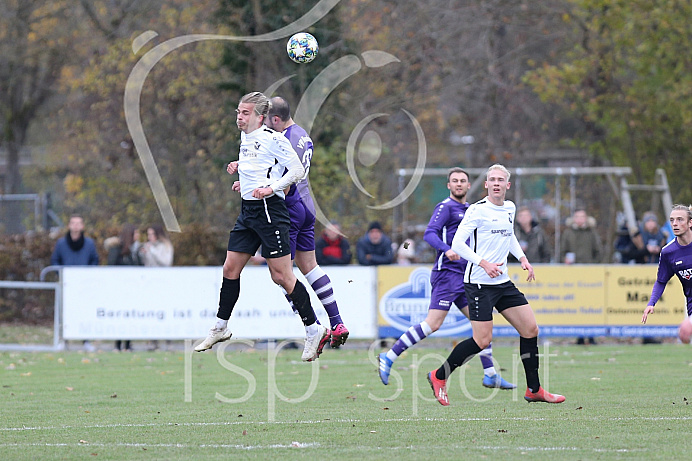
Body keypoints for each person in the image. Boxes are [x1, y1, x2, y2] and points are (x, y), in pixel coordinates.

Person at [194, 92, 328, 361]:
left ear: (259, 117)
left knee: (281, 276)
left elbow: (296, 171)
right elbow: (261, 164)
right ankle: (220, 327)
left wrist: (271, 188)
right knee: (230, 268)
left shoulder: (274, 139)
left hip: (270, 212)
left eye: (245, 113)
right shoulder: (247, 137)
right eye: (238, 112)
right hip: (248, 211)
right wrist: (241, 170)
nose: (239, 117)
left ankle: (314, 329)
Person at [427, 164, 565, 406]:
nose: (497, 183)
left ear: (507, 185)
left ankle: (534, 389)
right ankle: (439, 376)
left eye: (501, 179)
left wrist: (522, 257)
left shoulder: (510, 208)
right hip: (479, 283)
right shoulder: (477, 210)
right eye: (492, 179)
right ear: (487, 185)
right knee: (482, 340)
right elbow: (458, 244)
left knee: (530, 329)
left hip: (502, 282)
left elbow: (509, 234)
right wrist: (483, 263)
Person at [378, 168, 515, 390]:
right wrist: (446, 249)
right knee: (433, 323)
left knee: (482, 324)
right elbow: (429, 233)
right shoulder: (445, 207)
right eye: (455, 181)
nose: (459, 184)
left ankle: (490, 374)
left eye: (463, 181)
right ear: (448, 185)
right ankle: (389, 356)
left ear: (469, 186)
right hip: (447, 274)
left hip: (466, 276)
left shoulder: (471, 209)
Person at [264, 96, 349, 348]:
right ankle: (337, 322)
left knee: (280, 274)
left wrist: (266, 189)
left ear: (276, 120)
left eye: (268, 123)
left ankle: (312, 326)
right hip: (306, 205)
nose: (267, 129)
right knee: (309, 266)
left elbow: (287, 179)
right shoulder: (301, 133)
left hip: (289, 208)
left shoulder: (284, 140)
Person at [642, 205, 692, 344]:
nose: (675, 224)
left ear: (690, 223)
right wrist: (651, 302)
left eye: (680, 219)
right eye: (672, 220)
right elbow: (661, 281)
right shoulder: (668, 252)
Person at [50, 214, 100, 352]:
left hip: (84, 286)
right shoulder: (61, 243)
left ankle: (86, 340)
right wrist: (61, 274)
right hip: (66, 285)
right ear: (69, 225)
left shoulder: (89, 243)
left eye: (79, 223)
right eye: (73, 223)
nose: (76, 226)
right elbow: (55, 260)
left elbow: (94, 260)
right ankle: (63, 340)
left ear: (82, 226)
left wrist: (88, 275)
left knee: (84, 311)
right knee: (64, 313)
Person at [561, 208, 602, 345]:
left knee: (590, 306)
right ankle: (579, 336)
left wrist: (592, 265)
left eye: (582, 216)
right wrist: (565, 260)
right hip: (572, 274)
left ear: (586, 218)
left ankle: (591, 336)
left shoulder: (592, 233)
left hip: (589, 275)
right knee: (576, 306)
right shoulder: (568, 233)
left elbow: (598, 252)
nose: (579, 219)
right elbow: (562, 251)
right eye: (577, 216)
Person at [105, 223, 143, 351]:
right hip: (119, 289)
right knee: (120, 316)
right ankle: (117, 344)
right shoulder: (116, 249)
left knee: (129, 316)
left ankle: (127, 344)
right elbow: (111, 266)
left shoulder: (135, 250)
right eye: (136, 233)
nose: (138, 236)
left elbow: (140, 267)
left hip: (132, 289)